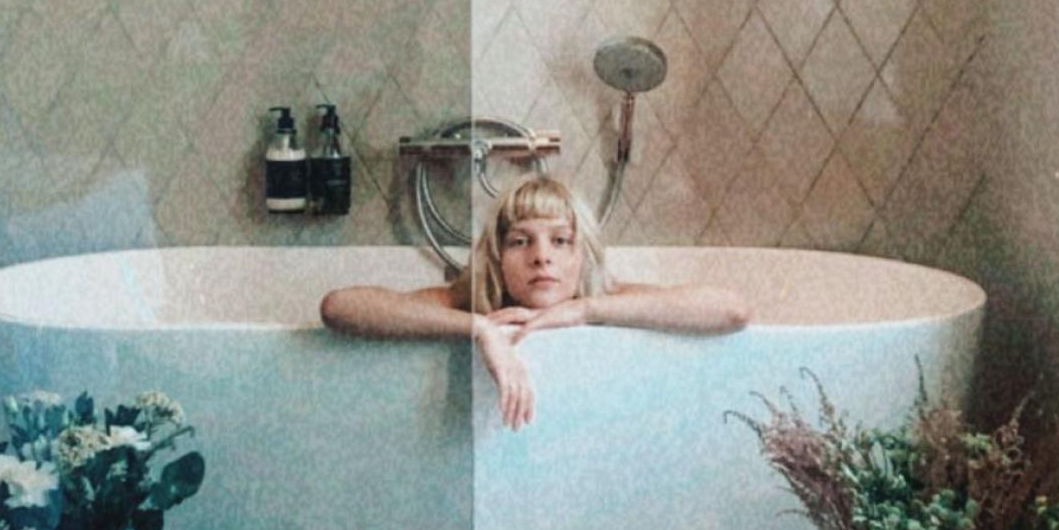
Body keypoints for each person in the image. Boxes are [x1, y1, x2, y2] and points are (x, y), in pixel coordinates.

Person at [320, 176, 751, 429]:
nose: (541, 257)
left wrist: (585, 310)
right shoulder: (469, 301)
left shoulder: (603, 296)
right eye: (520, 241)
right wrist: (480, 328)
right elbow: (339, 306)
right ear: (496, 256)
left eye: (560, 241)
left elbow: (732, 310)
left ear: (582, 255)